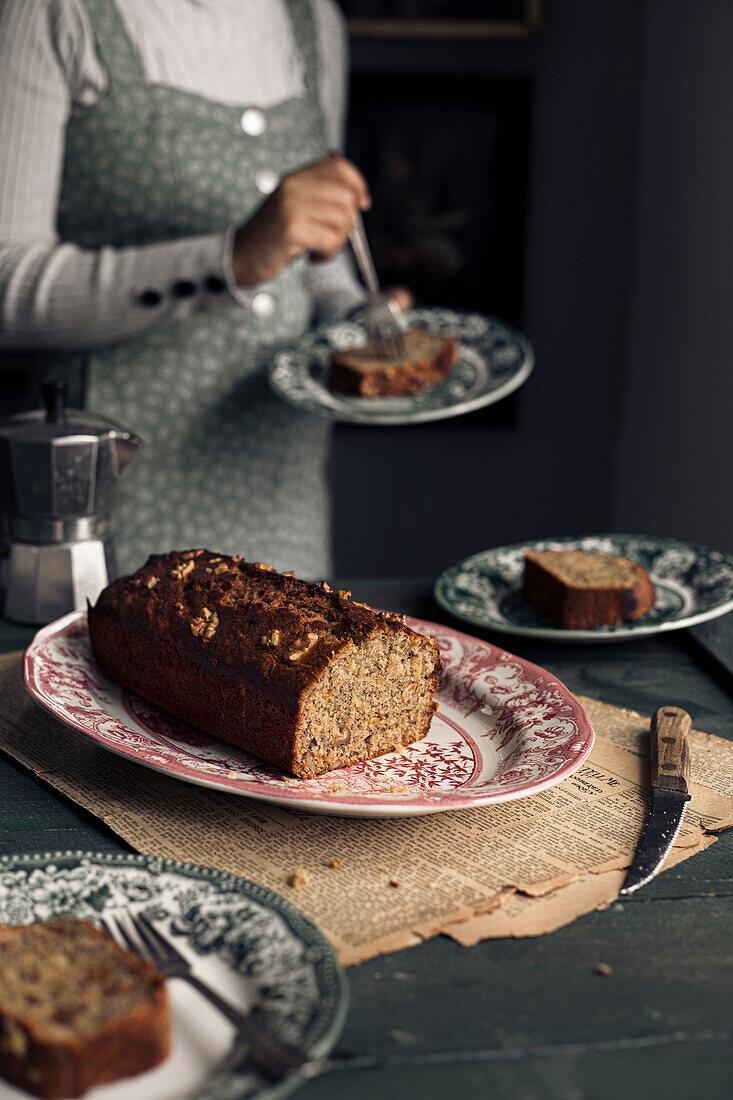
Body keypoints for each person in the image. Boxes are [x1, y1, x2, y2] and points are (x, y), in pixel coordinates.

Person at [0, 0, 408, 577]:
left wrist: (362, 321)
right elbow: (5, 281)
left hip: (280, 499)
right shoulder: (51, 13)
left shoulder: (314, 20)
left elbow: (316, 263)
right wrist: (228, 261)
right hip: (106, 506)